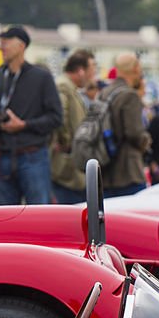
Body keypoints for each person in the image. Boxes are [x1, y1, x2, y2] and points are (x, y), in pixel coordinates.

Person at [0, 25, 62, 205]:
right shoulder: (0, 75)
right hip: (3, 156)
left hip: (33, 156)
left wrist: (25, 125)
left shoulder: (41, 77)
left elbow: (56, 117)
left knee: (39, 217)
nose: (1, 47)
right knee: (3, 218)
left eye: (6, 42)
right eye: (0, 42)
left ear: (21, 46)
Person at [100, 52, 151, 197]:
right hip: (128, 172)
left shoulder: (105, 92)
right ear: (135, 68)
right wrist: (146, 141)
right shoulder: (130, 95)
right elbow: (134, 133)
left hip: (105, 169)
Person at [51, 49, 97, 204]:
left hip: (70, 163)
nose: (93, 75)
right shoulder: (63, 87)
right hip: (67, 165)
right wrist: (66, 144)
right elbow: (60, 116)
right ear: (81, 71)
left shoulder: (67, 87)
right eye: (92, 70)